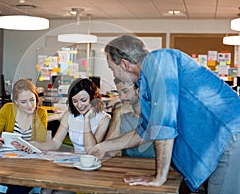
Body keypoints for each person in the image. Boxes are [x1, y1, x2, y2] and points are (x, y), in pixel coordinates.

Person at [89, 35, 240, 193]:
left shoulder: (159, 60)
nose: (114, 75)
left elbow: (163, 123)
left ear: (125, 64)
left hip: (230, 135)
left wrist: (159, 177)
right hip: (222, 140)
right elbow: (147, 131)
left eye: (112, 68)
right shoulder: (147, 83)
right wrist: (103, 147)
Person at [0, 78, 48, 194]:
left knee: (19, 185)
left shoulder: (41, 113)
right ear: (16, 102)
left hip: (31, 166)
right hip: (7, 164)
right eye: (24, 102)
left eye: (32, 100)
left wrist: (29, 146)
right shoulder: (8, 109)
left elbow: (41, 142)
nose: (30, 105)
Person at [29, 78, 110, 154]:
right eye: (75, 101)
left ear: (93, 98)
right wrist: (34, 145)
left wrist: (86, 119)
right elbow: (55, 143)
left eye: (83, 100)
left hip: (94, 162)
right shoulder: (68, 115)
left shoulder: (104, 119)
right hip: (76, 162)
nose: (79, 105)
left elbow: (91, 150)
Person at [105, 77, 155, 158]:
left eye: (125, 91)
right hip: (128, 166)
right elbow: (109, 152)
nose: (121, 97)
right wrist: (116, 115)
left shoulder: (154, 115)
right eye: (119, 93)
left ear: (139, 91)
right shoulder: (122, 116)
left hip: (153, 166)